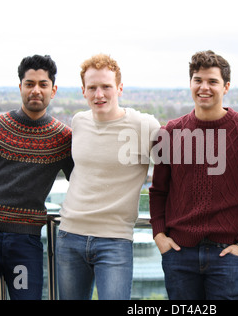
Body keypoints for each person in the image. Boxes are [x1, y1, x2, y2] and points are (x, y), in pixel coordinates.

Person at [149, 50, 238, 300]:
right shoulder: (170, 132)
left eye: (212, 81)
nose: (204, 87)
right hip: (179, 253)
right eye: (198, 80)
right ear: (190, 84)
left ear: (226, 87)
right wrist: (159, 235)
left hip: (227, 254)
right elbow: (159, 190)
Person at [0, 54, 73, 300]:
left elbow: (81, 182)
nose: (36, 90)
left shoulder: (63, 138)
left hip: (25, 243)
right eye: (29, 84)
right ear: (20, 87)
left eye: (43, 84)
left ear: (53, 90)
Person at [56, 53, 160, 300]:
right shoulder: (79, 121)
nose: (99, 94)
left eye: (106, 87)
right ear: (83, 91)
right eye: (92, 88)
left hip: (114, 240)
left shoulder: (144, 126)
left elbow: (176, 175)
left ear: (120, 88)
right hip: (69, 236)